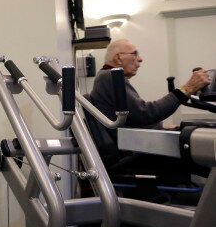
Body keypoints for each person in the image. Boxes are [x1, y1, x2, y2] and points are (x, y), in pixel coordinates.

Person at [89, 39, 211, 181]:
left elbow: (134, 118)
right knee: (202, 155)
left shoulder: (106, 77)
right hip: (134, 152)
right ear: (118, 58)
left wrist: (161, 126)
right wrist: (187, 89)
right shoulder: (110, 77)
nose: (140, 59)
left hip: (132, 145)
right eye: (135, 54)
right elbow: (145, 114)